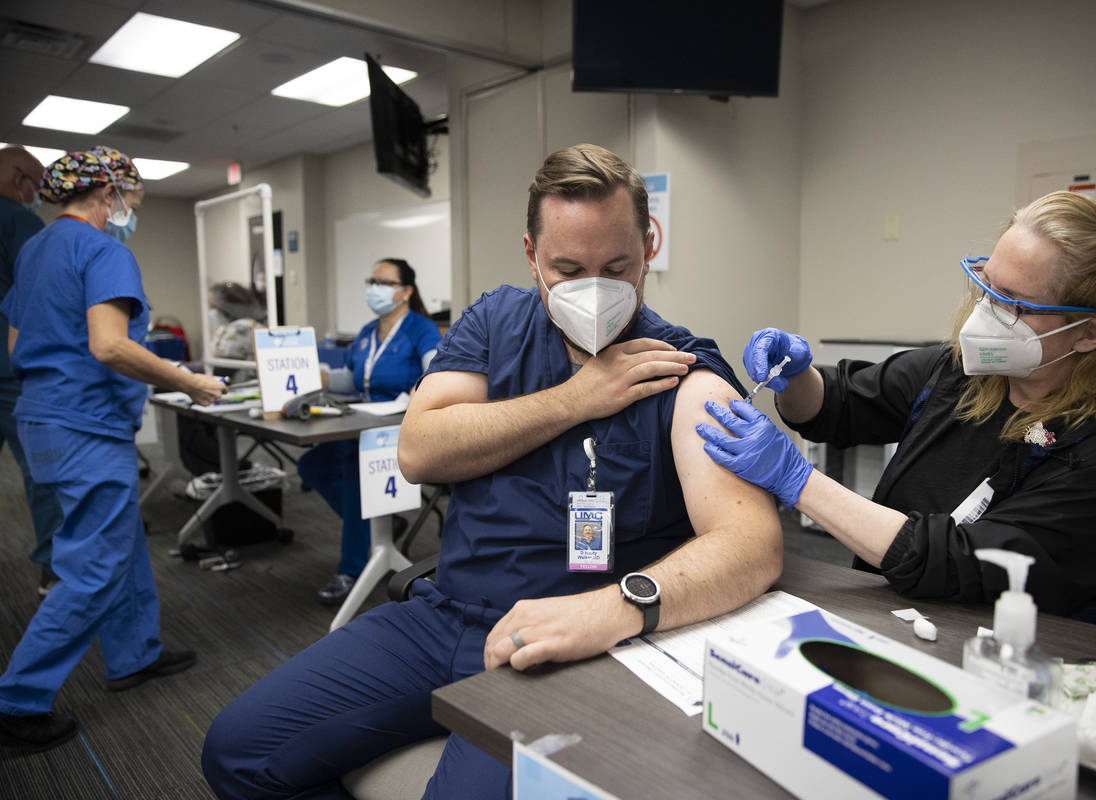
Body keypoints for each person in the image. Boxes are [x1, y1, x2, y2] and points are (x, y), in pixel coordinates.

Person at [202, 143, 782, 798]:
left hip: (571, 645)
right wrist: (576, 398)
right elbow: (420, 450)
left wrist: (614, 609)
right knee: (239, 751)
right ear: (532, 255)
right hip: (445, 614)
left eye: (616, 266)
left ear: (649, 245)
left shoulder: (681, 371)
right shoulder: (493, 323)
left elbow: (750, 544)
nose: (594, 289)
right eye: (567, 268)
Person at [698, 190, 1096, 636]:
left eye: (1016, 304)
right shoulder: (960, 372)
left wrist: (797, 481)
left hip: (1050, 652)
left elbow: (968, 562)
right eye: (987, 287)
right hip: (904, 617)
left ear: (1089, 332)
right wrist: (796, 376)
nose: (987, 312)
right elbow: (838, 406)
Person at [0, 146, 227, 752]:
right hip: (86, 426)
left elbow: (19, 339)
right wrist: (189, 380)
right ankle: (16, 701)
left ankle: (135, 654)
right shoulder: (103, 249)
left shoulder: (34, 250)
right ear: (109, 194)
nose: (131, 213)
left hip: (44, 417)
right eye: (133, 202)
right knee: (93, 565)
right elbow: (108, 346)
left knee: (119, 541)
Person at [297, 258, 442, 605]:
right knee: (312, 466)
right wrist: (320, 376)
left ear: (405, 292)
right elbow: (353, 378)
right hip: (359, 426)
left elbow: (437, 372)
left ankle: (351, 568)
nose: (373, 288)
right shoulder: (366, 332)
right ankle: (383, 525)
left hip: (399, 431)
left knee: (354, 472)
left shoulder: (420, 329)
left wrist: (416, 395)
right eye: (371, 280)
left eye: (383, 282)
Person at [0, 146, 63, 598]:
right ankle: (53, 567)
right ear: (21, 179)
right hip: (14, 372)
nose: (38, 196)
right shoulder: (20, 223)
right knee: (42, 468)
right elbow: (46, 300)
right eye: (38, 185)